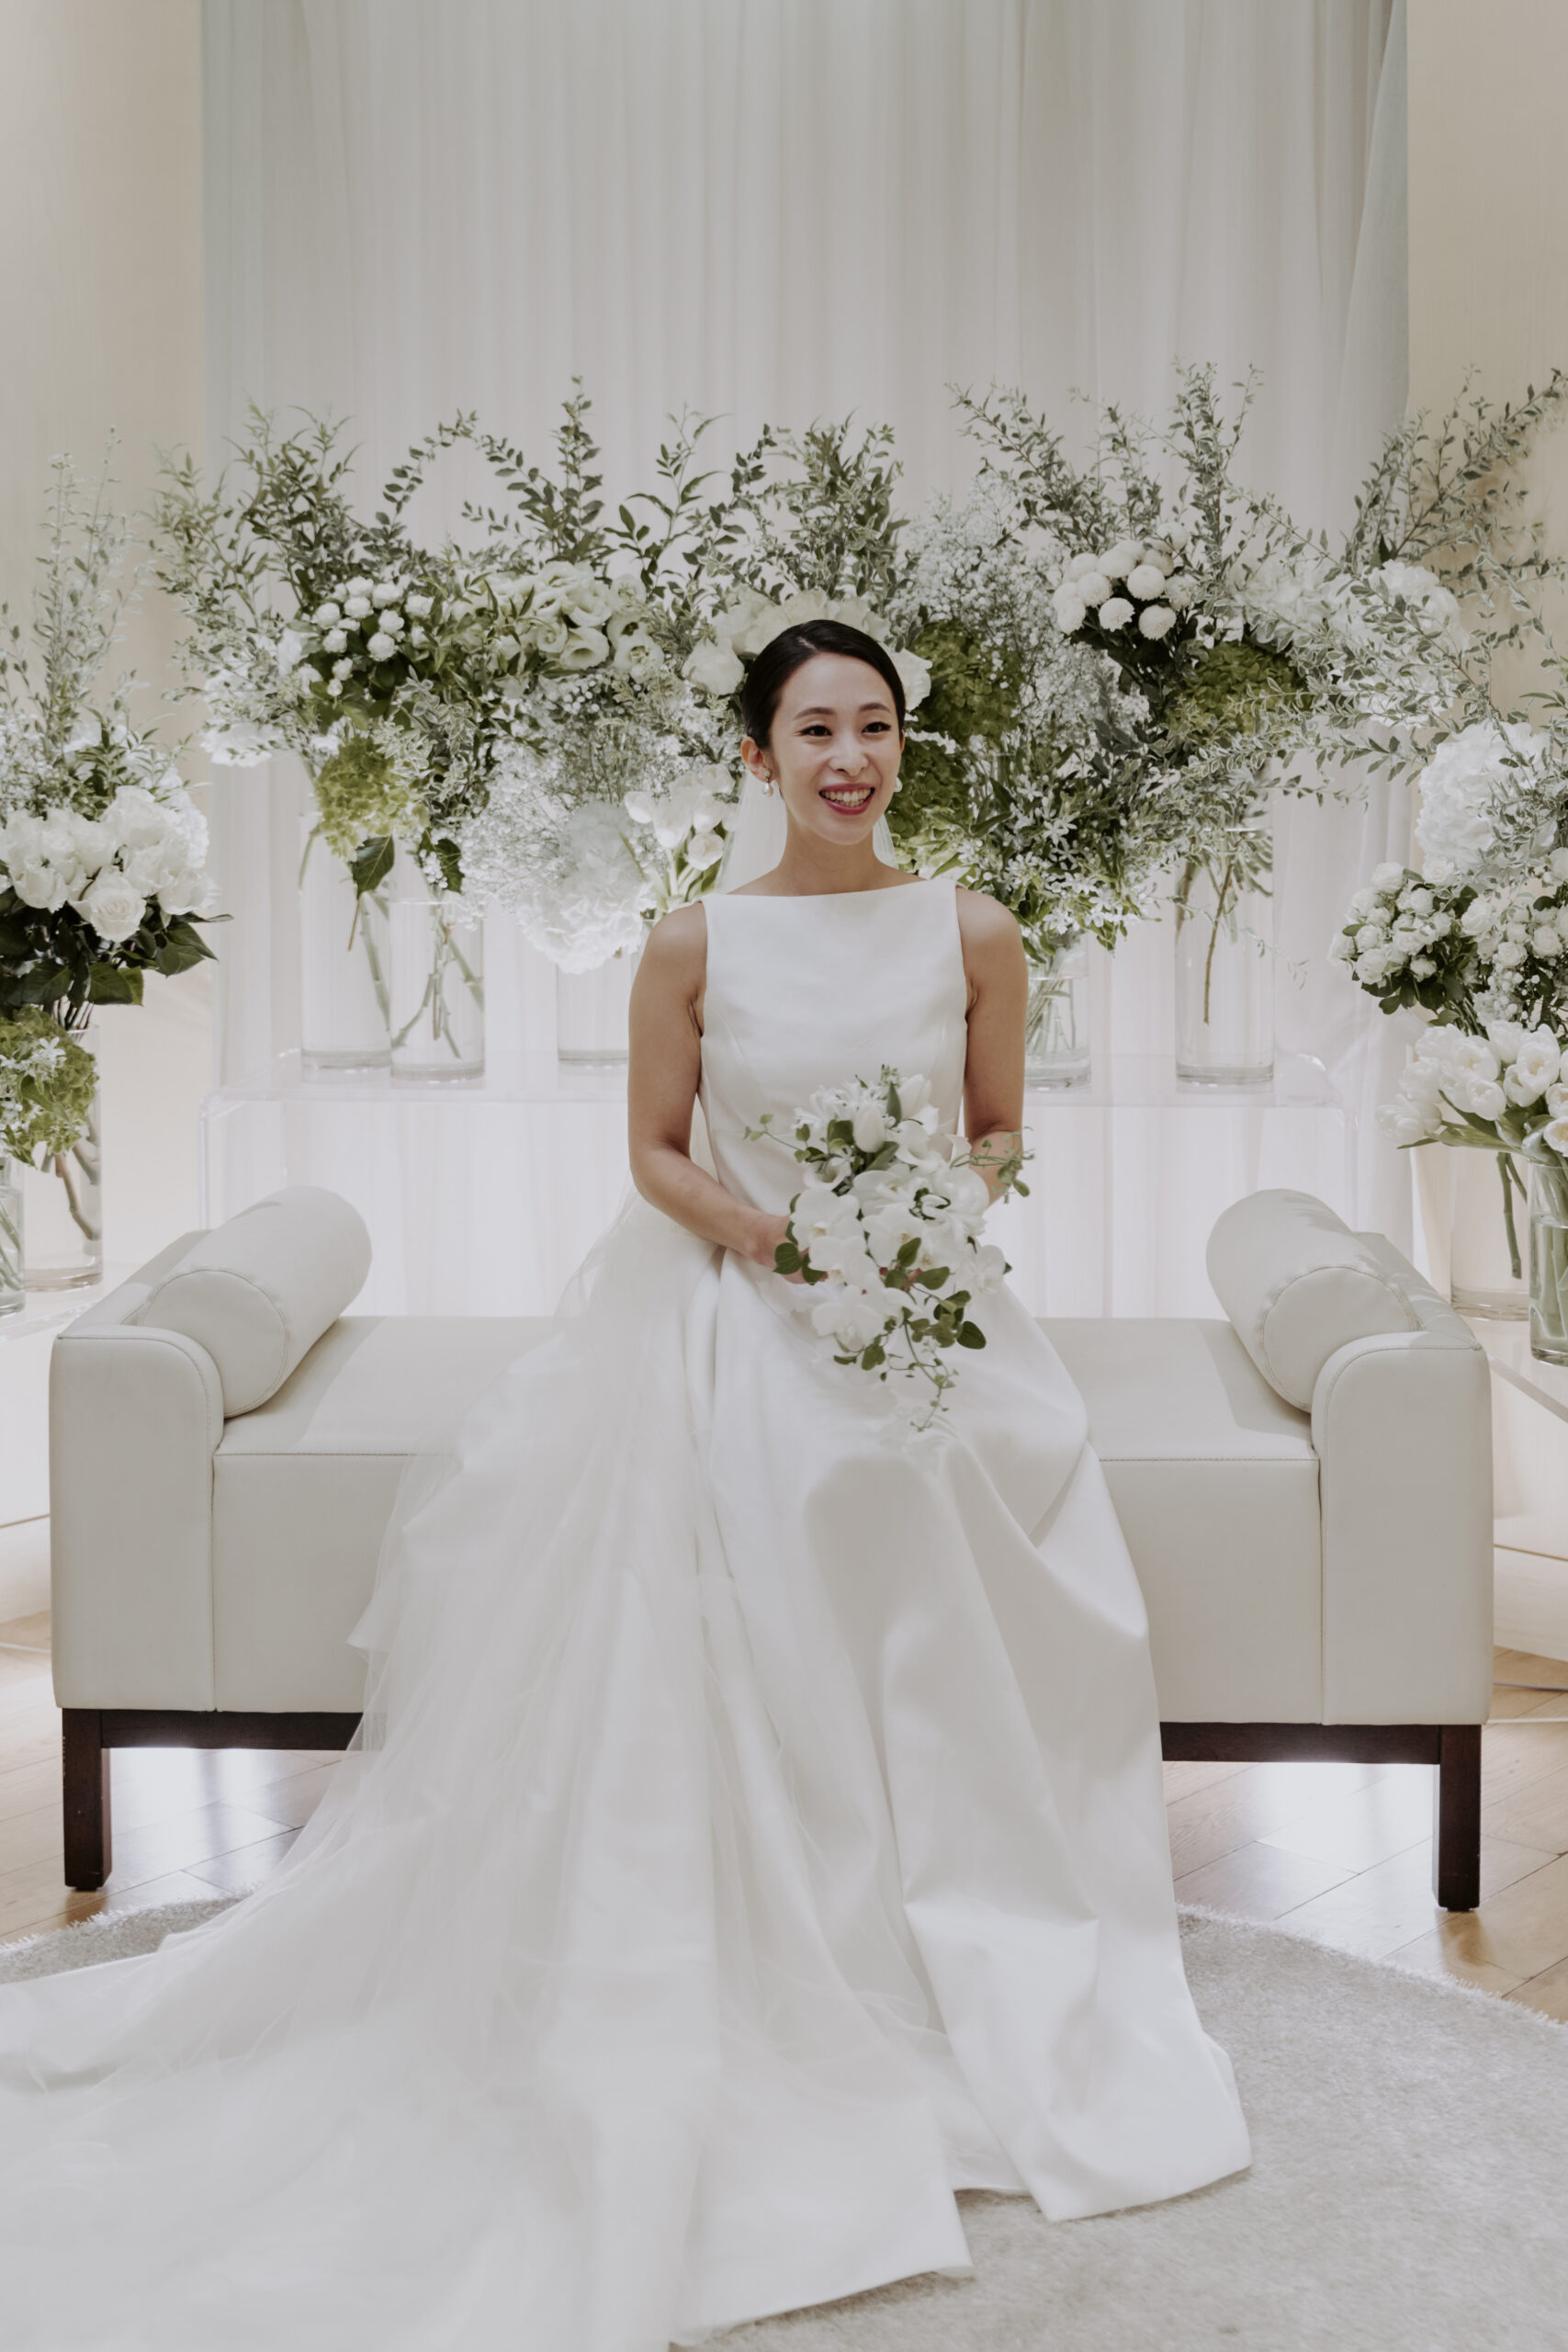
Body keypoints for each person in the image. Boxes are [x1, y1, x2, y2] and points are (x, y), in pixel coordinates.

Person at [0, 618, 1248, 2350]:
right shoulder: (692, 941)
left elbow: (996, 1130)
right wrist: (777, 1236)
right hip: (740, 1302)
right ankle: (769, 1930)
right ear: (757, 755)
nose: (849, 759)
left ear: (903, 748)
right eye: (814, 729)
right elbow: (655, 1152)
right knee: (782, 1483)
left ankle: (958, 1915)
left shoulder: (972, 927)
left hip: (920, 1311)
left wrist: (915, 1227)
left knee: (947, 1495)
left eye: (875, 728)